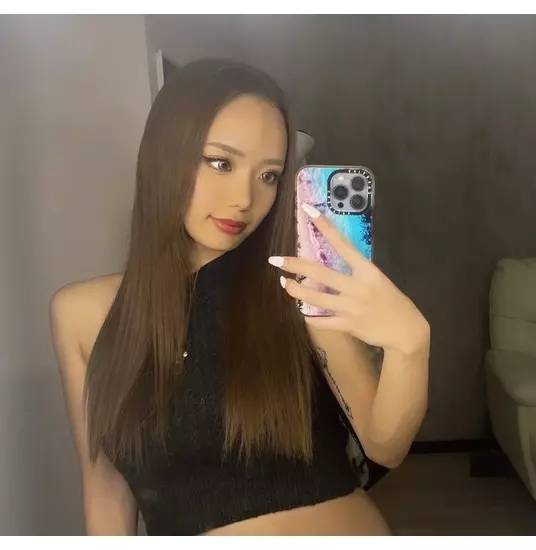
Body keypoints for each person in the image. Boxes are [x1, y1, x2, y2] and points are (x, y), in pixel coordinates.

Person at [49, 59, 430, 536]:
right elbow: (106, 490)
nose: (245, 199)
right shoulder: (81, 314)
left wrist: (409, 346)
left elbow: (383, 445)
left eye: (269, 176)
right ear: (165, 155)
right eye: (221, 163)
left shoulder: (296, 285)